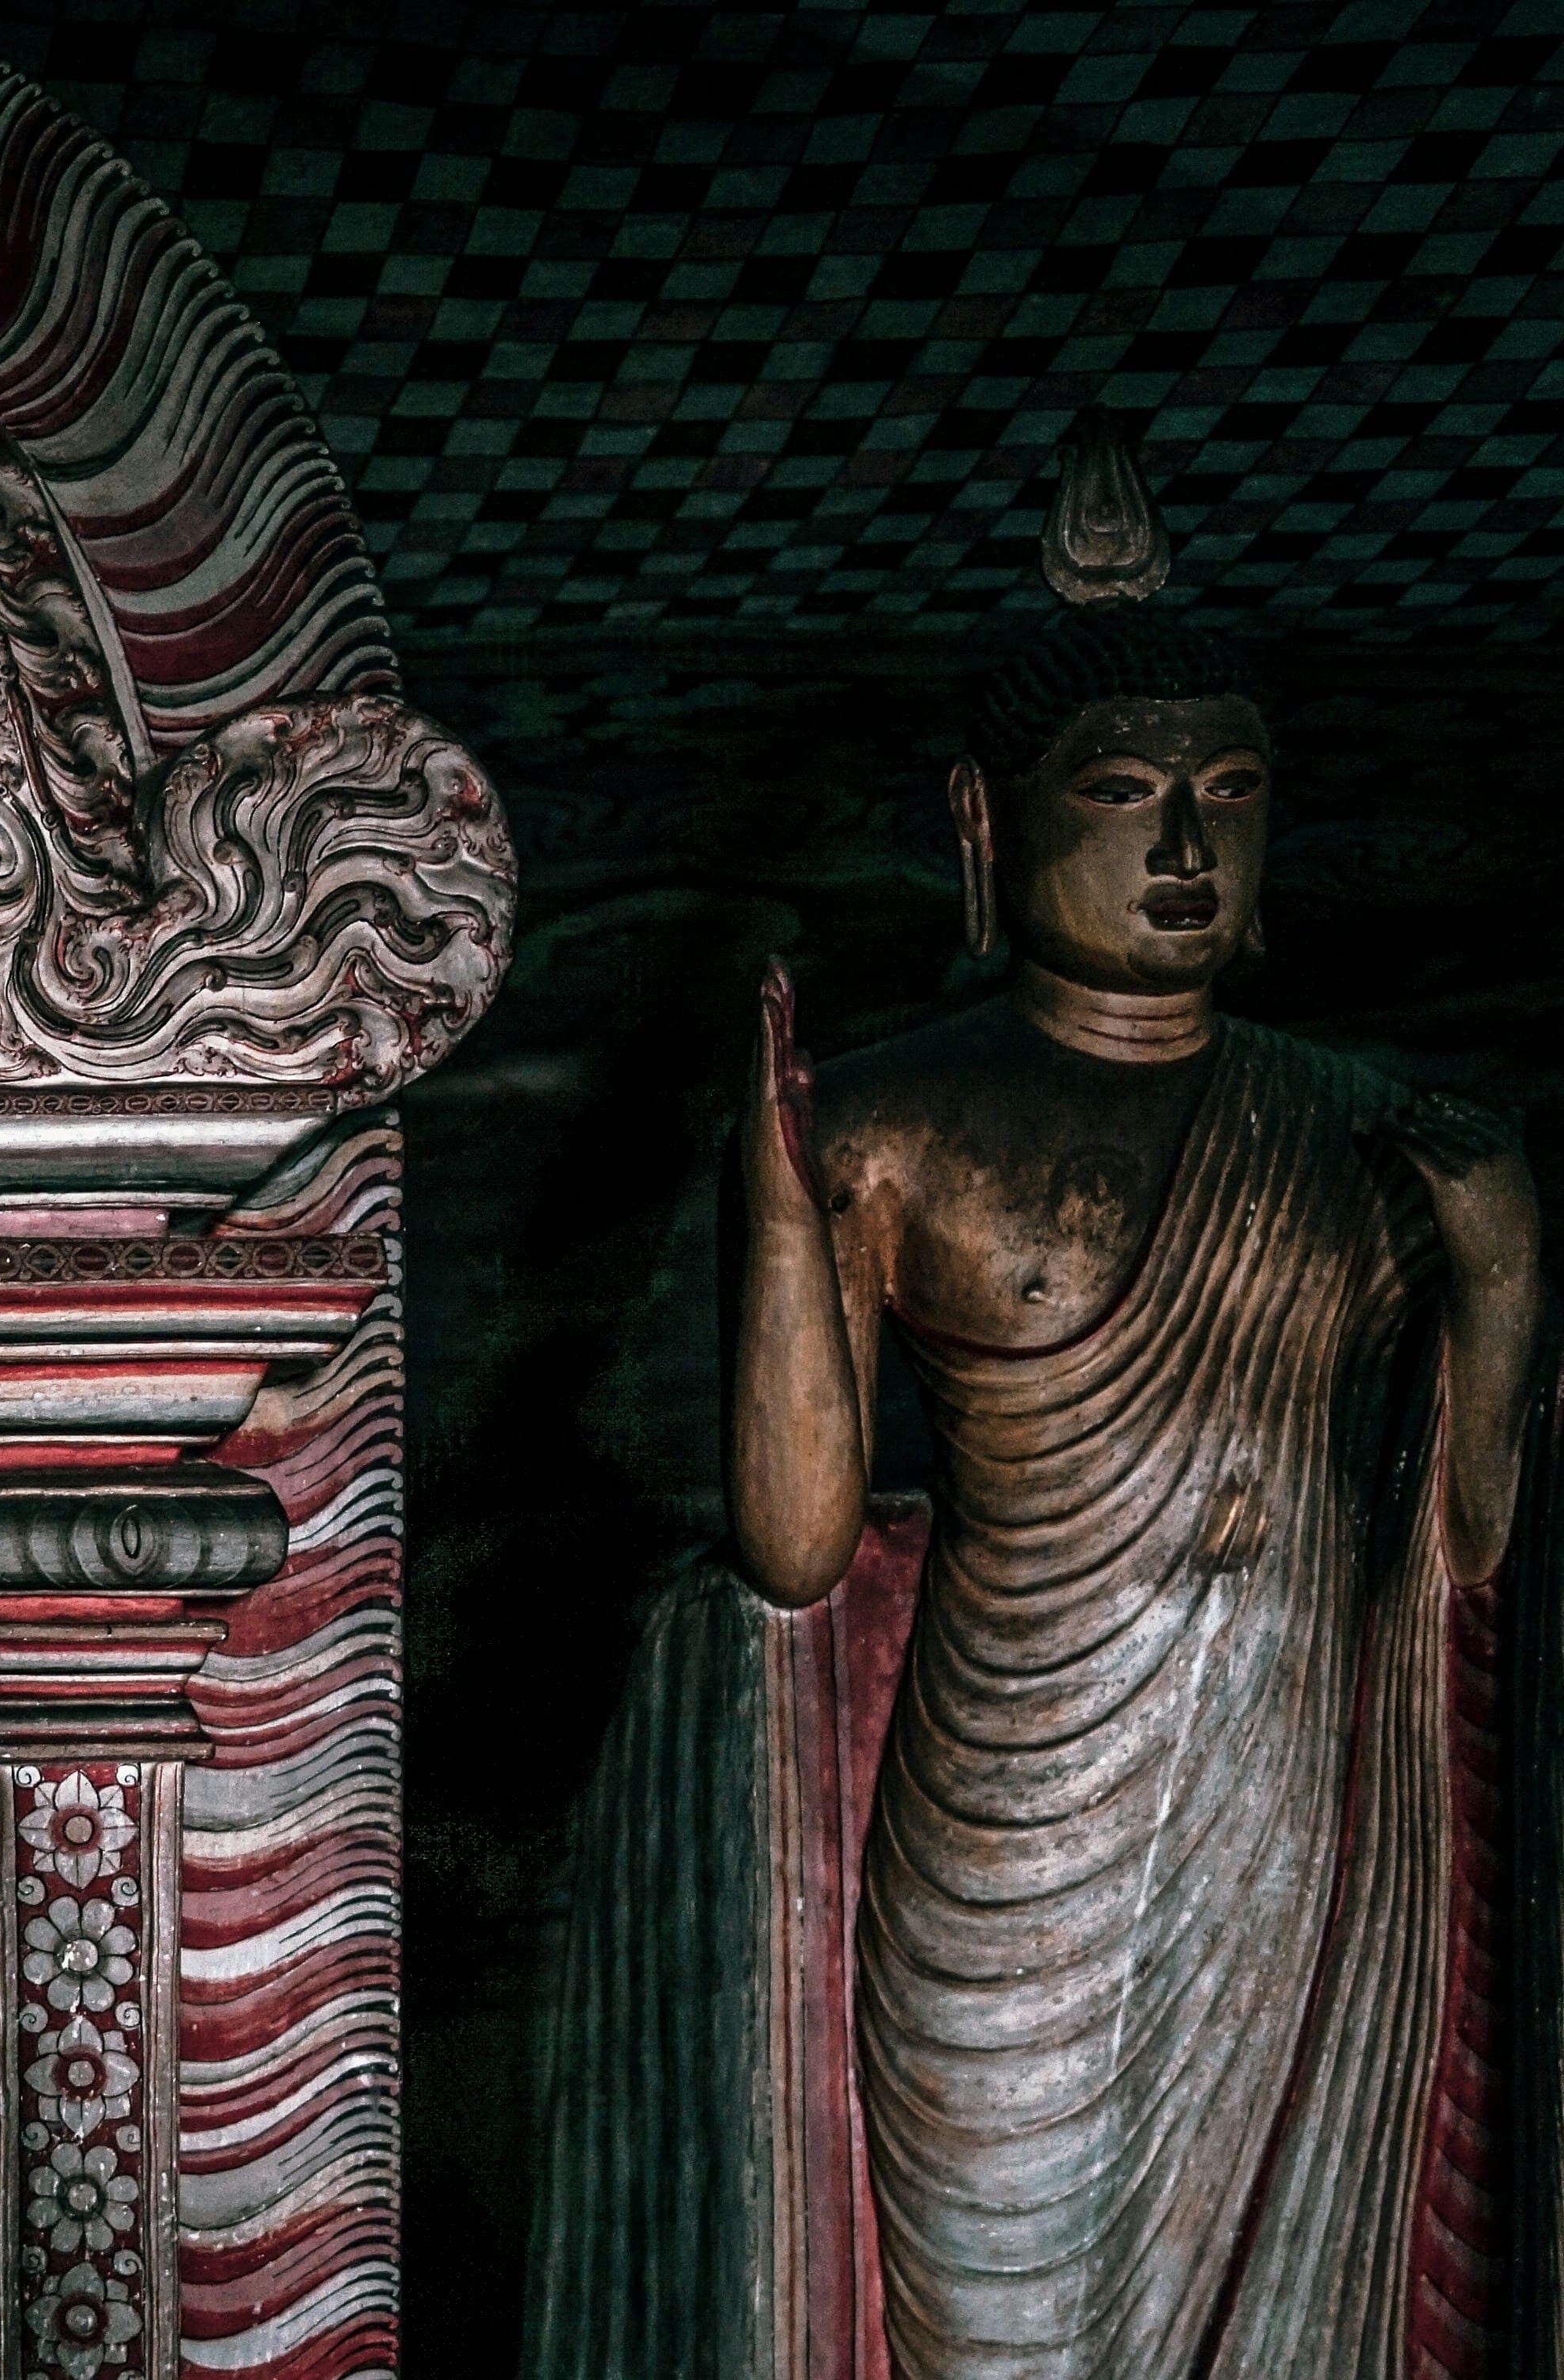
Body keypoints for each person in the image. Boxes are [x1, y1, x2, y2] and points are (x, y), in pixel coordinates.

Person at [726, 424, 1536, 2374]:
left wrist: (1506, 1270)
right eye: (1122, 792)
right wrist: (779, 1204)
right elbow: (796, 1549)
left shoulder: (1367, 1134)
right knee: (999, 2305)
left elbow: (1470, 1544)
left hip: (1290, 1804)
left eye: (1229, 799)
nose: (1184, 850)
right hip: (1008, 1812)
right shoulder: (898, 1123)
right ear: (988, 825)